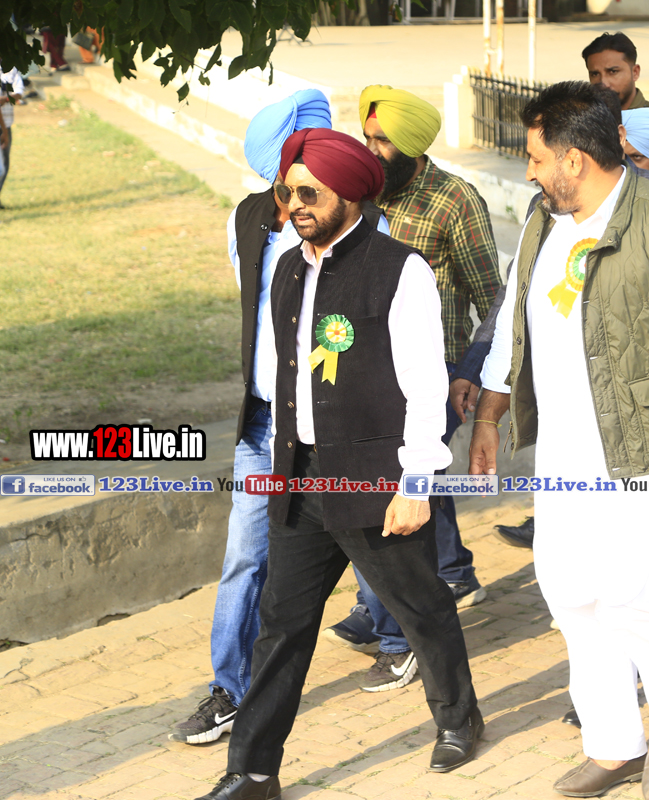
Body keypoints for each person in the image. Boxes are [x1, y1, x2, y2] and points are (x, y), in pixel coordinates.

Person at [470, 81, 649, 800]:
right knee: (570, 594)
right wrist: (490, 417)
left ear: (575, 159)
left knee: (635, 596)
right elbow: (513, 326)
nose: (529, 171)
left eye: (536, 157)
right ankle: (612, 743)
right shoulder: (544, 220)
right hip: (566, 455)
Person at [195, 128, 482, 800]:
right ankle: (252, 770)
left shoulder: (399, 270)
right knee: (282, 625)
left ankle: (458, 719)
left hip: (375, 479)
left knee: (421, 607)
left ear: (349, 194)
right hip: (299, 479)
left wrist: (416, 483)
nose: (293, 205)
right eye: (286, 192)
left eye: (308, 193)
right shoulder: (288, 269)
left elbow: (424, 387)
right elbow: (288, 378)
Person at [168, 91, 392, 746]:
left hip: (334, 423)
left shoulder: (358, 219)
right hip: (265, 423)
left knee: (365, 539)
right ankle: (230, 689)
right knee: (246, 556)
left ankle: (399, 638)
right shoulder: (245, 220)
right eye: (298, 161)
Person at [321, 86, 503, 691]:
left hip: (432, 378)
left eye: (383, 142)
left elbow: (493, 298)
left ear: (415, 147)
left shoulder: (455, 201)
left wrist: (471, 371)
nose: (371, 150)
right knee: (397, 492)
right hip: (358, 376)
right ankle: (438, 579)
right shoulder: (356, 196)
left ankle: (399, 634)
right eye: (367, 137)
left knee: (392, 494)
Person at [583, 32, 649, 175]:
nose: (603, 83)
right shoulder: (586, 123)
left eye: (613, 71)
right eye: (595, 74)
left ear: (635, 72)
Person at [0, 64, 23, 209]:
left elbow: (19, 93)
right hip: (4, 127)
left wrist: (5, 99)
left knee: (4, 165)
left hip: (6, 123)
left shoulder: (11, 69)